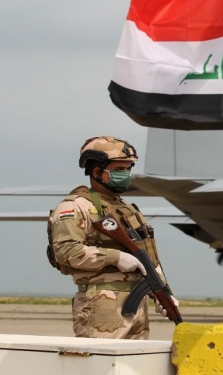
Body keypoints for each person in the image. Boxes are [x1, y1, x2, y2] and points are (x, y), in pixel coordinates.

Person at [46, 136, 178, 339]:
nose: (126, 174)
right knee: (102, 358)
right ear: (97, 172)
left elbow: (147, 255)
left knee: (134, 358)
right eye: (119, 169)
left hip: (137, 303)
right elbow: (66, 251)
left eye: (128, 168)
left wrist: (162, 291)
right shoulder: (75, 206)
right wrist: (116, 258)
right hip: (101, 303)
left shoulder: (127, 209)